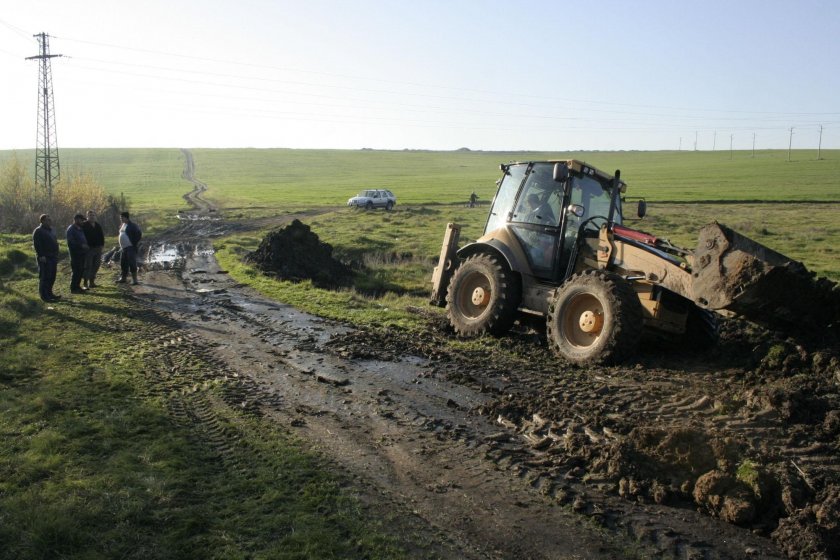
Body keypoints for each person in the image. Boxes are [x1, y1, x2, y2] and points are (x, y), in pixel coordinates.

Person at [32, 214, 61, 302]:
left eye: (50, 219)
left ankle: (50, 293)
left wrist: (56, 254)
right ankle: (44, 296)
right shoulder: (38, 231)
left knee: (52, 276)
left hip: (53, 256)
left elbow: (55, 242)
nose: (50, 221)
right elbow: (37, 245)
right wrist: (41, 255)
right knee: (45, 276)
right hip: (44, 257)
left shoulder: (51, 230)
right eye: (48, 220)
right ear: (42, 221)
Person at [66, 213, 90, 294]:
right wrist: (81, 245)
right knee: (76, 271)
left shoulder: (80, 228)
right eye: (81, 220)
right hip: (75, 254)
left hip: (82, 253)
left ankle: (77, 286)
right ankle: (73, 288)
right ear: (76, 219)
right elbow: (71, 242)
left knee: (80, 270)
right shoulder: (71, 229)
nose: (83, 221)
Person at [81, 210, 105, 288]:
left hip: (98, 248)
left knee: (96, 265)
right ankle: (85, 283)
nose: (92, 217)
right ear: (87, 216)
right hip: (89, 249)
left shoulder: (98, 225)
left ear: (95, 216)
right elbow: (81, 236)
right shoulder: (84, 225)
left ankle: (92, 282)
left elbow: (101, 236)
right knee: (88, 265)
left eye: (93, 215)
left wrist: (102, 245)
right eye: (90, 215)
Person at [117, 211, 142, 285]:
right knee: (123, 263)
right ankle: (123, 278)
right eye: (120, 218)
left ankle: (135, 280)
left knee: (132, 263)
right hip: (123, 248)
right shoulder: (123, 225)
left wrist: (133, 242)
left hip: (130, 247)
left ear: (126, 217)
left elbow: (139, 234)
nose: (121, 219)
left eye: (122, 217)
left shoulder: (133, 225)